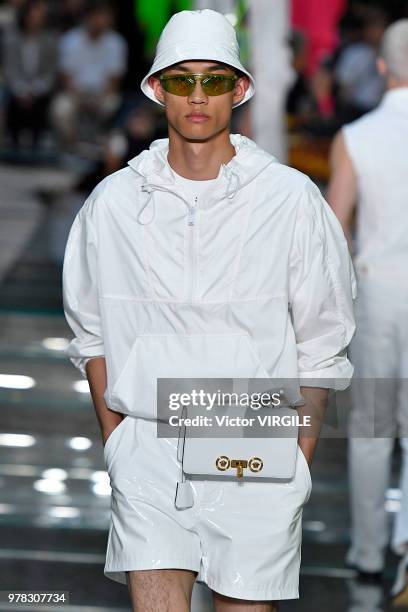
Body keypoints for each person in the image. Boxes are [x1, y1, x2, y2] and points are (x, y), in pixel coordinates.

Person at [62, 9, 356, 611]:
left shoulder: (289, 200)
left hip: (256, 442)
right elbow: (90, 334)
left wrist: (297, 464)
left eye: (215, 80)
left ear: (239, 90)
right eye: (182, 79)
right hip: (146, 442)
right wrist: (117, 444)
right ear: (157, 89)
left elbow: (323, 342)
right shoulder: (113, 204)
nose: (198, 96)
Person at [327, 18, 408, 599]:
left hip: (377, 292)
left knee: (374, 427)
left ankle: (368, 553)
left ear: (382, 66)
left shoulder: (355, 136)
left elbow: (335, 232)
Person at [51, 0, 127, 147]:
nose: (102, 21)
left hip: (101, 94)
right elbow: (65, 76)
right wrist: (78, 98)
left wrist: (99, 99)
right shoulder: (70, 40)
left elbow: (114, 79)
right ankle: (70, 144)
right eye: (99, 16)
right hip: (75, 93)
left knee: (112, 103)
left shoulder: (116, 43)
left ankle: (98, 142)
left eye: (106, 17)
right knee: (61, 109)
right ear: (89, 17)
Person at [2, 0, 57, 149]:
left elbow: (50, 72)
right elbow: (11, 69)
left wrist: (34, 90)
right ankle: (13, 143)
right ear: (25, 16)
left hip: (40, 90)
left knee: (41, 103)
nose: (37, 19)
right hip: (16, 89)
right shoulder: (11, 38)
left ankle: (35, 145)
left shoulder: (50, 40)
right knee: (12, 101)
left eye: (40, 16)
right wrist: (22, 90)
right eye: (34, 16)